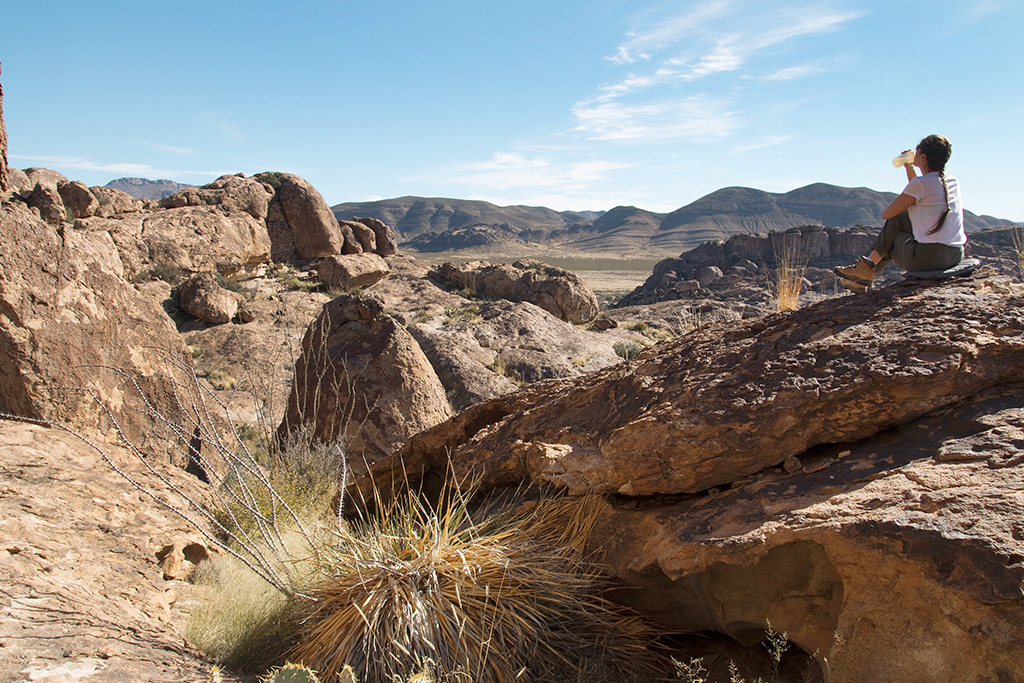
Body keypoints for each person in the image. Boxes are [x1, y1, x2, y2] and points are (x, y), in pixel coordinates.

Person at [834, 134, 966, 292]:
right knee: (902, 220)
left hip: (930, 259)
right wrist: (909, 167)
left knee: (894, 232)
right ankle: (863, 275)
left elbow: (888, 214)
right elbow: (922, 191)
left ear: (923, 157)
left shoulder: (921, 184)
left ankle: (863, 275)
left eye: (917, 152)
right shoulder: (952, 180)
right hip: (955, 255)